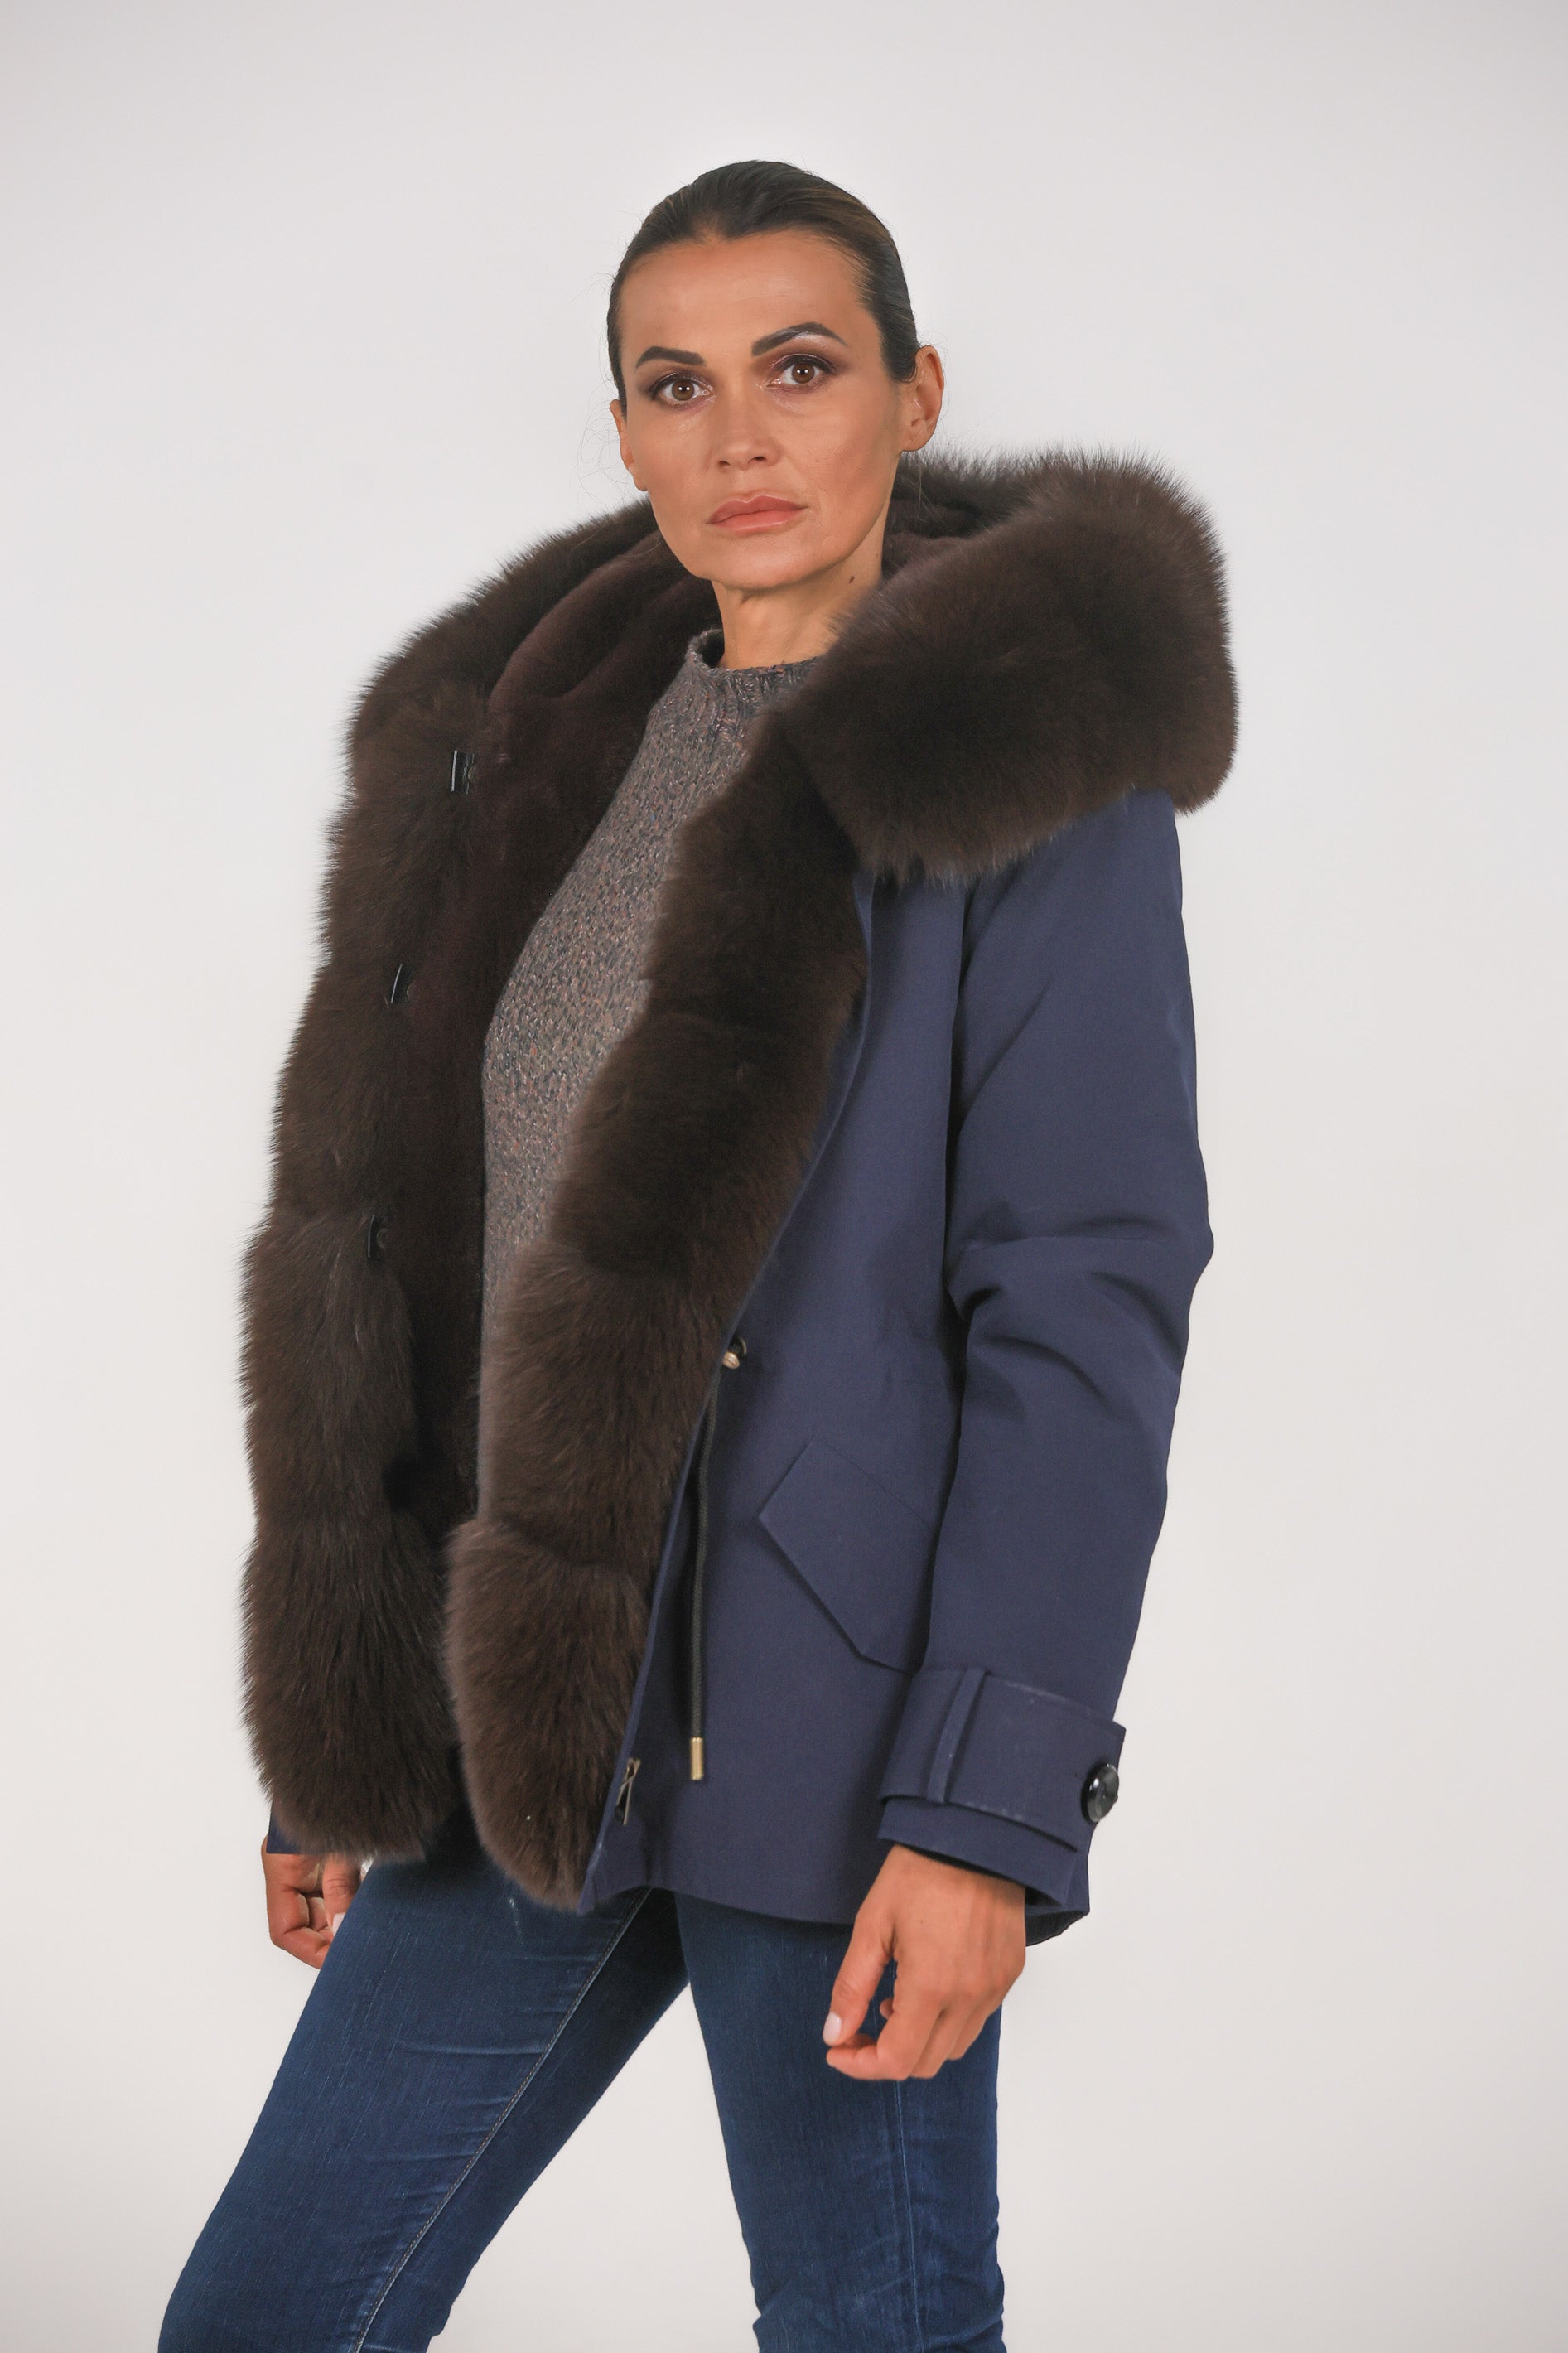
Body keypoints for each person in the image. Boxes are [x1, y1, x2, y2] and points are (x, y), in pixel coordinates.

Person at [162, 159, 1236, 2352]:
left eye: (800, 368)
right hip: (530, 1719)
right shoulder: (531, 768)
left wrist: (982, 1815)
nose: (740, 436)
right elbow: (418, 1264)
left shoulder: (1024, 787)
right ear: (627, 431)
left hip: (837, 1740)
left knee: (871, 2332)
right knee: (265, 2317)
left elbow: (1081, 1310)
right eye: (677, 385)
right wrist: (346, 1725)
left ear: (914, 396)